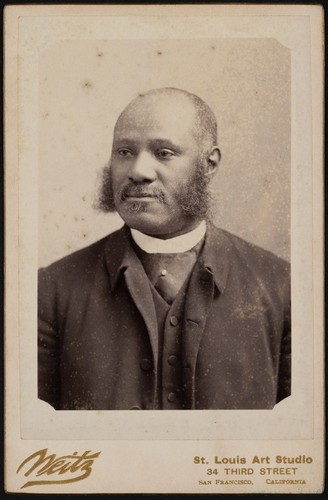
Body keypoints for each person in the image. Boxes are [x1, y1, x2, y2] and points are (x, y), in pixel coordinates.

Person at [38, 87, 291, 410]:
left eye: (164, 153)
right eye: (125, 152)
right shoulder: (50, 290)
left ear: (209, 164)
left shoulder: (282, 286)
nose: (138, 171)